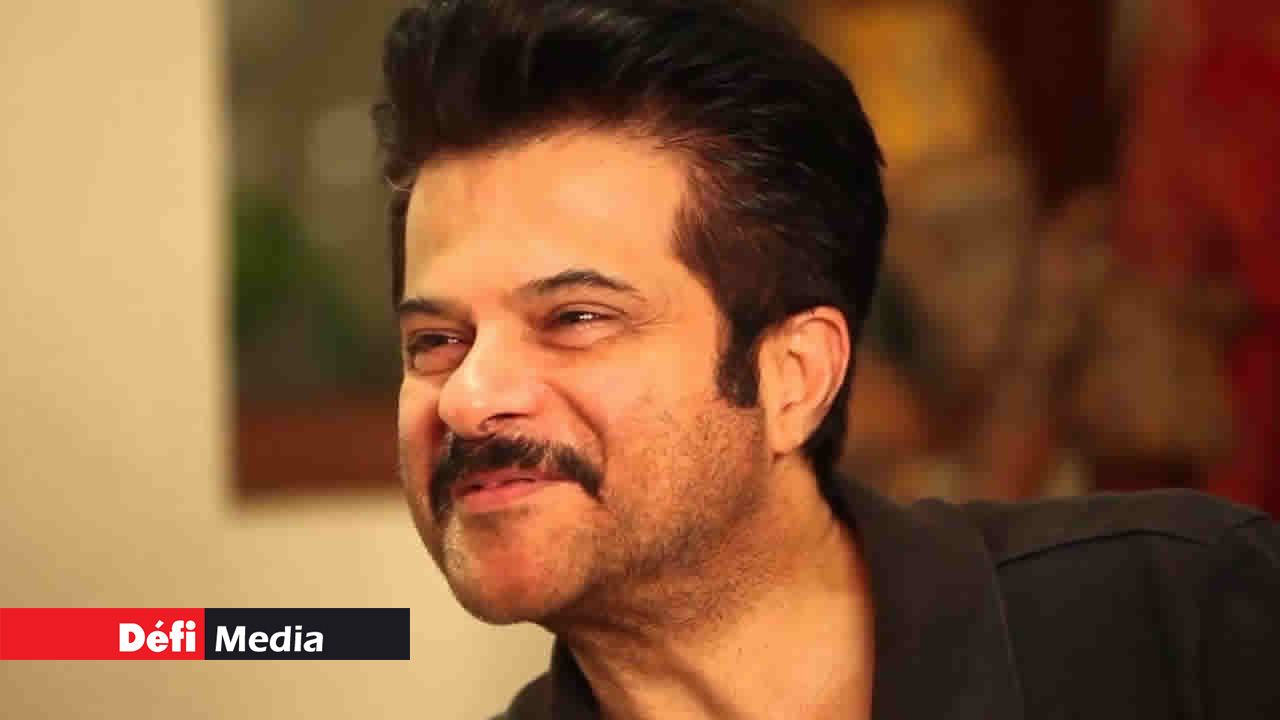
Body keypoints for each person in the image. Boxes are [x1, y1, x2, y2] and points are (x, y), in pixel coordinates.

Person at [373, 2, 1280, 718]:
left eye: (574, 318)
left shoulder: (1189, 618)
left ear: (794, 377)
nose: (467, 398)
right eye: (436, 343)